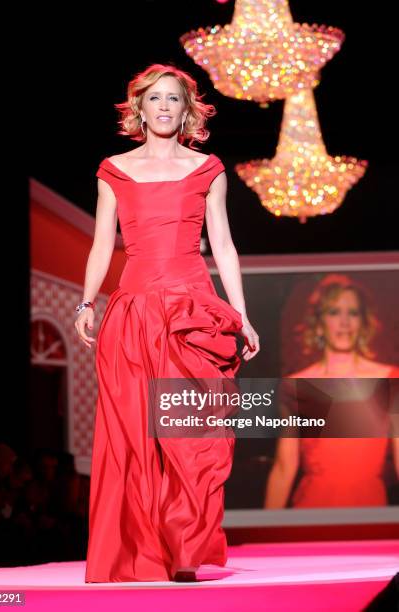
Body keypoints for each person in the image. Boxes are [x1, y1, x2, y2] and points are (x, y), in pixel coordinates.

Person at [75, 63, 260, 583]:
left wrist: (240, 314)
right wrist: (86, 304)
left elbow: (222, 243)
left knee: (195, 431)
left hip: (191, 310)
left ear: (186, 111)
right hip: (133, 312)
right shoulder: (113, 169)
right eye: (154, 98)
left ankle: (184, 547)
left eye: (172, 99)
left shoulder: (208, 169)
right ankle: (142, 551)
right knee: (135, 437)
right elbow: (101, 243)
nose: (162, 107)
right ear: (139, 108)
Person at [264, 274, 399, 509]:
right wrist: (263, 533)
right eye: (334, 312)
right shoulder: (295, 386)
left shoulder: (390, 379)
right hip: (312, 510)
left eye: (353, 313)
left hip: (369, 510)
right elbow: (284, 467)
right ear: (319, 323)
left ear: (363, 321)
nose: (344, 322)